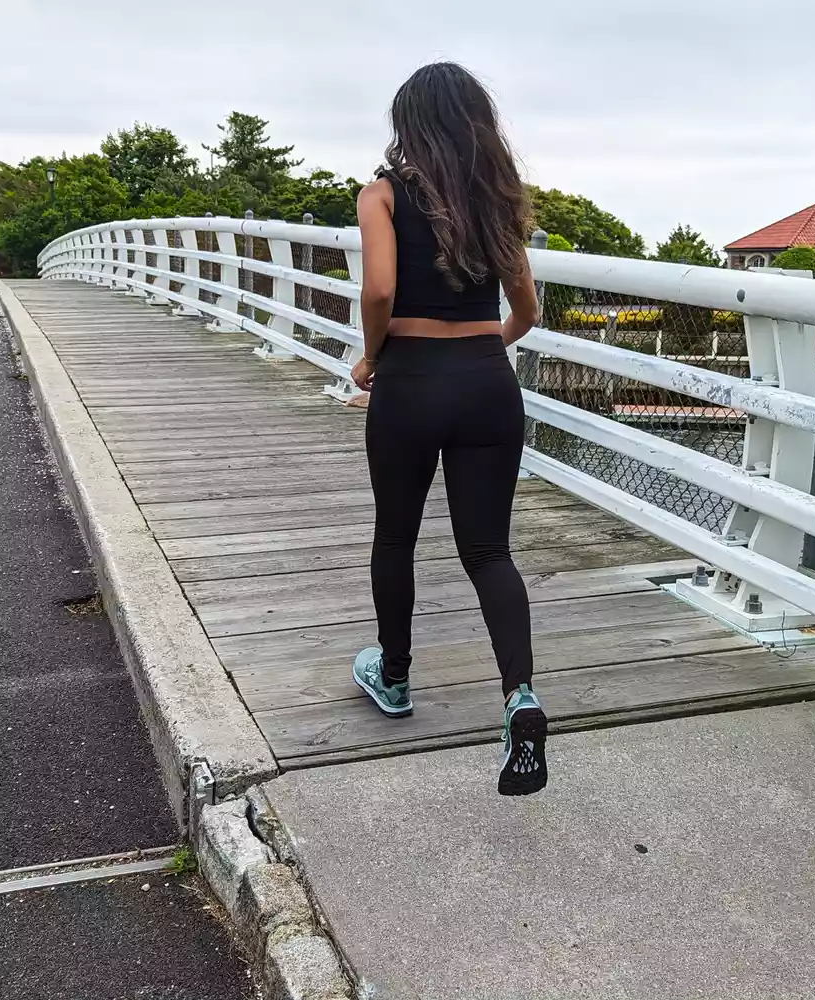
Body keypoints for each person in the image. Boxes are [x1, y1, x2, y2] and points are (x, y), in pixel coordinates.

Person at [347, 62, 546, 796]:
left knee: (395, 535)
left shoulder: (381, 195)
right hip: (488, 381)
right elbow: (526, 310)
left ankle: (394, 679)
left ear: (408, 124)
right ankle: (519, 696)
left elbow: (379, 289)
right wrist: (484, 343)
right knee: (490, 549)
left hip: (410, 379)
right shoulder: (496, 201)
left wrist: (373, 358)